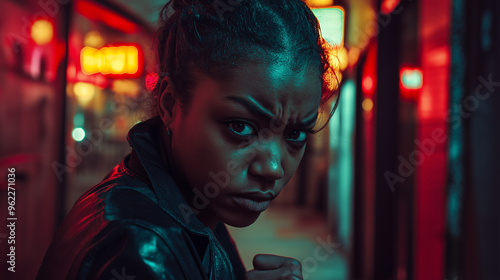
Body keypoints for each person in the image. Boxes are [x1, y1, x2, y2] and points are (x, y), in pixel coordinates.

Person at [36, 0, 339, 279]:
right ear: (170, 104)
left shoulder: (190, 208)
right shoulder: (140, 249)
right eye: (240, 126)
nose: (272, 168)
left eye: (296, 134)